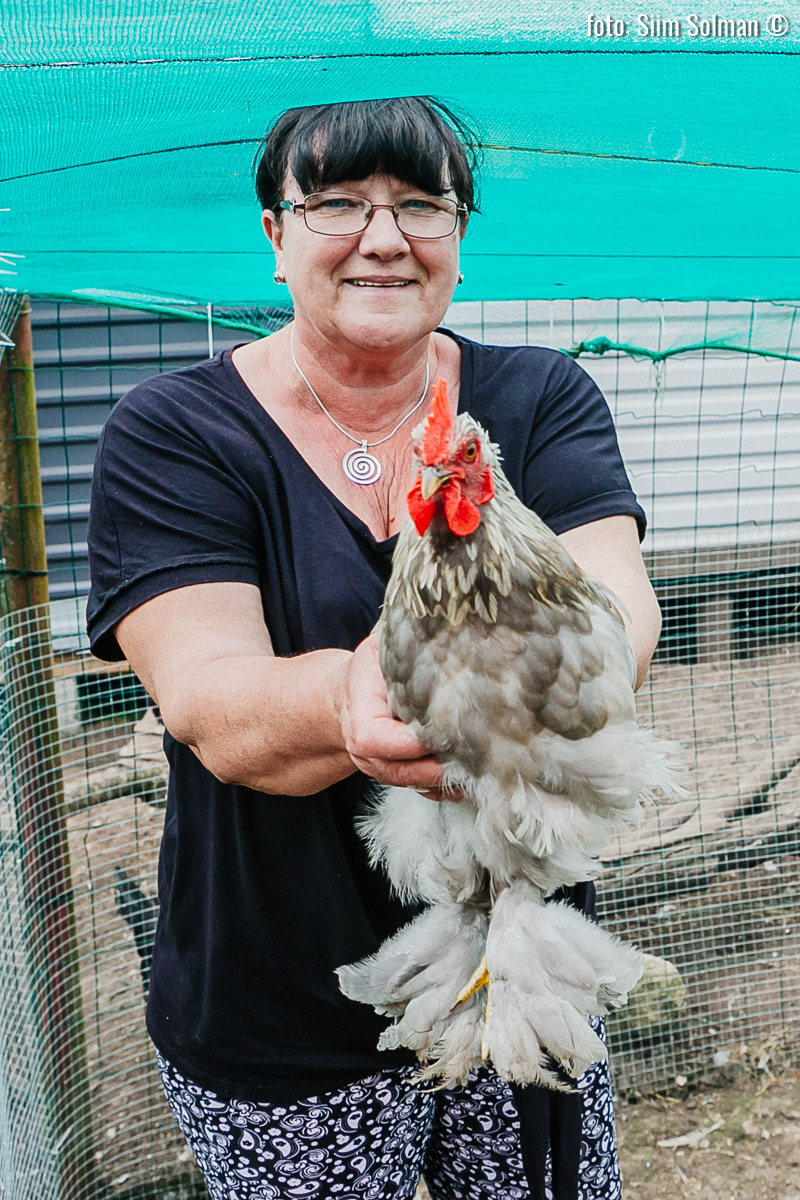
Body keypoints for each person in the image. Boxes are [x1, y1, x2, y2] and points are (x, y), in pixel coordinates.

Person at [87, 96, 661, 1200]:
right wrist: (354, 697)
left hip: (520, 961)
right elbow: (205, 696)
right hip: (278, 995)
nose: (384, 237)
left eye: (422, 206)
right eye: (338, 204)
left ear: (459, 236)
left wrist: (576, 671)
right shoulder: (174, 430)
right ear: (276, 235)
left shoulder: (540, 397)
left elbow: (616, 602)